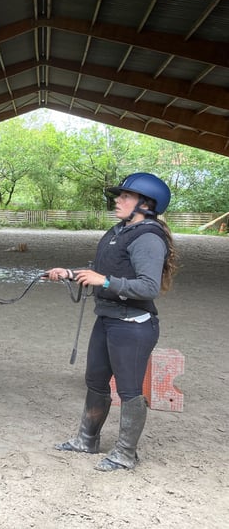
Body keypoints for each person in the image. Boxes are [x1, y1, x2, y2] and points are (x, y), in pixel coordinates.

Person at [45, 173, 177, 471]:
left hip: (133, 325)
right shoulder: (119, 231)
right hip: (107, 319)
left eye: (125, 196)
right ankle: (86, 440)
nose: (117, 200)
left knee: (129, 391)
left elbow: (148, 287)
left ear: (147, 204)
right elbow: (104, 271)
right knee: (95, 381)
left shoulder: (148, 238)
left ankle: (125, 453)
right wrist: (69, 272)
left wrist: (103, 282)